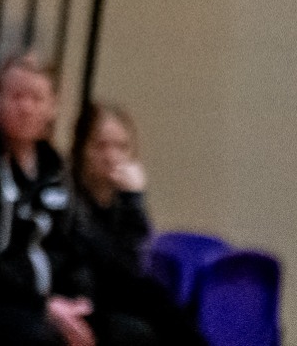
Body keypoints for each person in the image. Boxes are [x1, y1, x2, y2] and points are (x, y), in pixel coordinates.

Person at [0, 52, 154, 346]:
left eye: (37, 98)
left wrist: (78, 303)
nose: (26, 107)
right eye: (17, 96)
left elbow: (85, 252)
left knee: (133, 334)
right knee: (40, 338)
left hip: (44, 305)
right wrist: (43, 304)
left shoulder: (55, 171)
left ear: (53, 108)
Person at [72, 103, 208, 346]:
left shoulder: (119, 203)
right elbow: (119, 266)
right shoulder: (71, 200)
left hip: (120, 295)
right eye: (101, 145)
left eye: (122, 147)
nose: (112, 156)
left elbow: (139, 258)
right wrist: (133, 200)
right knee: (147, 317)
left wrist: (132, 203)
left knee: (170, 310)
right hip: (85, 294)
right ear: (82, 149)